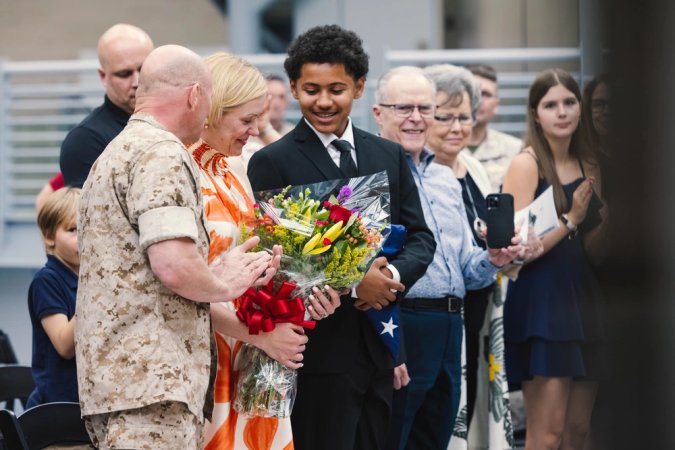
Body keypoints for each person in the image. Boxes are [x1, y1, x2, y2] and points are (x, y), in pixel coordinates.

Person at [75, 45, 277, 449]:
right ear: (194, 96)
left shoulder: (116, 151)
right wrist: (225, 284)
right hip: (154, 384)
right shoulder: (162, 153)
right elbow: (174, 265)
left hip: (123, 381)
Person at [247, 25, 436, 450]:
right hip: (317, 354)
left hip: (381, 344)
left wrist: (388, 281)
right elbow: (277, 259)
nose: (325, 101)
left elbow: (421, 237)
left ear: (360, 87)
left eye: (337, 89)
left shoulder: (387, 153)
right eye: (312, 89)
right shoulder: (271, 163)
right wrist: (355, 284)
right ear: (294, 88)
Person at [191, 51, 341, 449]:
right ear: (212, 111)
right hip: (208, 359)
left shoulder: (235, 170)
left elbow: (270, 267)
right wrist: (260, 337)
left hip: (251, 354)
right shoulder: (181, 173)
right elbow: (181, 288)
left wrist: (307, 298)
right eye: (246, 120)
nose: (256, 130)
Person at [372, 65, 521, 450]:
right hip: (401, 323)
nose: (417, 118)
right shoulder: (369, 173)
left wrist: (495, 257)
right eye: (405, 108)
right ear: (378, 113)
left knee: (435, 439)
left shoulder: (444, 178)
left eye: (426, 109)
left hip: (452, 326)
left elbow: (469, 271)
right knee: (392, 437)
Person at [502, 68, 605, 450]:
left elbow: (592, 250)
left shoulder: (590, 164)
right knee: (547, 436)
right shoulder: (526, 164)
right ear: (535, 113)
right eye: (550, 105)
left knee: (579, 432)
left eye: (569, 102)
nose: (561, 112)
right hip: (541, 302)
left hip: (584, 297)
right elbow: (515, 254)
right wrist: (572, 219)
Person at [59, 23, 154, 187]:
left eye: (144, 69)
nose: (137, 81)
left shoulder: (175, 120)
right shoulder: (85, 141)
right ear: (103, 76)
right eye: (124, 74)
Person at [26, 187, 81, 408]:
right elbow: (64, 346)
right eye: (73, 230)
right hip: (57, 409)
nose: (83, 237)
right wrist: (96, 296)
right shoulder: (46, 281)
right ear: (49, 237)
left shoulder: (88, 278)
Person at [465, 63, 523, 192]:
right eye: (473, 92)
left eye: (486, 94)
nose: (479, 100)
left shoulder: (515, 150)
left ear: (496, 104)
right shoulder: (442, 149)